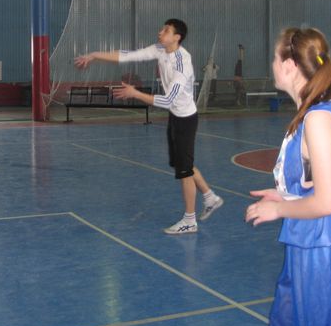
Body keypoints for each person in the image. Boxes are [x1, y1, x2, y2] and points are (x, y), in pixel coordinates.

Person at [245, 27, 331, 326]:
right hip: (313, 240)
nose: (272, 65)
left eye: (275, 58)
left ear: (289, 65)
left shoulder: (318, 119)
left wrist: (278, 209)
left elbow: (328, 202)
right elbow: (315, 181)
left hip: (329, 248)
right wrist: (286, 195)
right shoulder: (313, 114)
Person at [75, 18, 224, 234]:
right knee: (183, 164)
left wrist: (135, 93)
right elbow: (128, 55)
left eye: (166, 30)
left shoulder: (182, 64)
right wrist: (95, 55)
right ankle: (210, 197)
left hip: (185, 119)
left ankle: (190, 221)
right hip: (176, 117)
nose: (160, 32)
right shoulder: (160, 49)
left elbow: (167, 100)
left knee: (184, 171)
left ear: (177, 37)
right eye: (162, 29)